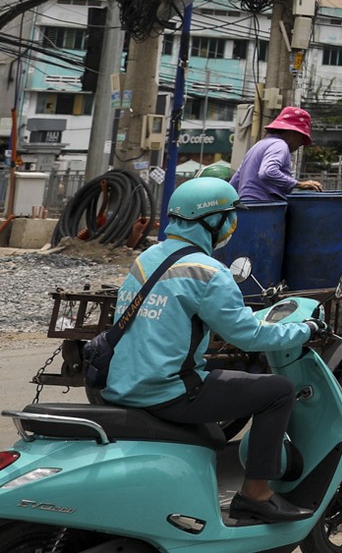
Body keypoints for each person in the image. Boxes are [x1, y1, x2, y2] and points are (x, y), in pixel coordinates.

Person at [104, 178, 319, 524]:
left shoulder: (146, 259)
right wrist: (303, 331)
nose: (232, 226)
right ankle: (257, 495)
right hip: (166, 391)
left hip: (121, 383)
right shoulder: (208, 271)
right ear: (212, 220)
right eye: (230, 217)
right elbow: (246, 335)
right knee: (277, 391)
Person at [231, 107, 321, 202]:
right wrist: (299, 184)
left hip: (247, 207)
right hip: (265, 208)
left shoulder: (258, 146)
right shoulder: (280, 145)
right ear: (292, 133)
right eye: (301, 138)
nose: (301, 143)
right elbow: (268, 172)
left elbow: (235, 182)